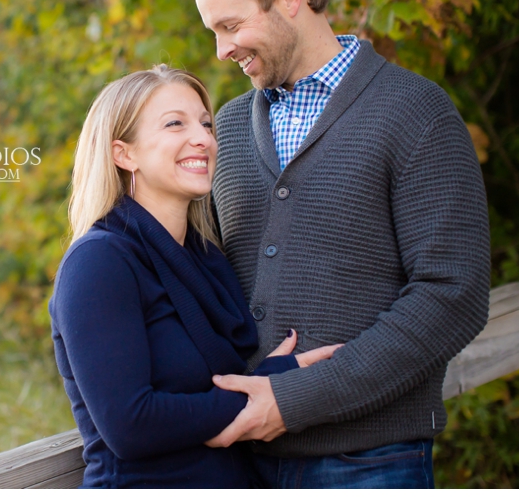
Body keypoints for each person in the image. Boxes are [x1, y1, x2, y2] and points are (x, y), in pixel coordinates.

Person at [184, 0, 491, 488]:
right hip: (238, 462)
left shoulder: (415, 112)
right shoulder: (221, 130)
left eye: (230, 25)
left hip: (370, 462)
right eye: (213, 32)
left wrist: (295, 399)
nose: (222, 50)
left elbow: (454, 295)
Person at [48, 66, 339, 488]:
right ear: (124, 153)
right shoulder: (100, 263)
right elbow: (130, 424)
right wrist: (265, 387)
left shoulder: (203, 257)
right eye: (174, 124)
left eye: (205, 123)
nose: (203, 138)